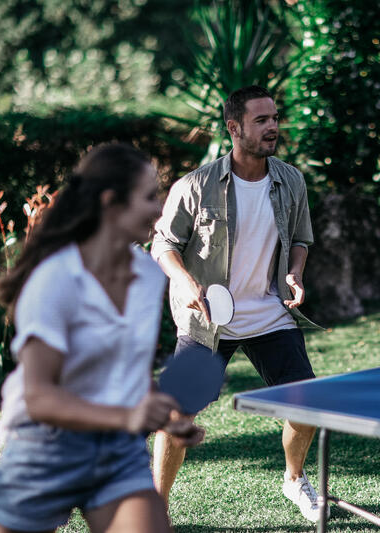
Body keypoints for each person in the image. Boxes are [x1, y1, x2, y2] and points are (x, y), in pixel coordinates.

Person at [0, 143, 205, 533]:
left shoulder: (147, 276)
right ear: (111, 203)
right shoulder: (56, 279)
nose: (159, 208)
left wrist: (164, 413)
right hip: (46, 448)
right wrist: (129, 416)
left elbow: (127, 375)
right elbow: (40, 397)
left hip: (117, 449)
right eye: (149, 196)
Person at [151, 85, 325, 522]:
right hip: (207, 319)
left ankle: (294, 479)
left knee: (305, 408)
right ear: (234, 128)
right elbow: (163, 245)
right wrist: (187, 282)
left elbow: (301, 238)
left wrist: (294, 273)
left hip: (270, 314)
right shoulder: (195, 186)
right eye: (261, 120)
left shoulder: (291, 180)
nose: (273, 127)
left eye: (275, 118)